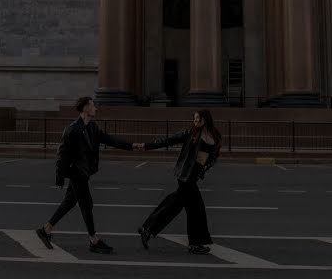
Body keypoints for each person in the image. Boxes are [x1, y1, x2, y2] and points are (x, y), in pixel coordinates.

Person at [36, 96, 134, 254]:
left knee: (69, 202)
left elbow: (108, 139)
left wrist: (131, 146)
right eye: (93, 105)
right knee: (87, 204)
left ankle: (45, 230)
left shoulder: (92, 127)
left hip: (84, 172)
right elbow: (62, 155)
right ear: (86, 108)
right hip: (77, 173)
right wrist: (60, 177)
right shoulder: (73, 129)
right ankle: (93, 240)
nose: (96, 108)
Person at [136, 110, 222, 255]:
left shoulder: (215, 136)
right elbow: (169, 140)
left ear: (205, 120)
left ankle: (147, 229)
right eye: (194, 118)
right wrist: (147, 145)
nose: (194, 121)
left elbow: (213, 156)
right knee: (196, 210)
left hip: (193, 176)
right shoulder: (191, 133)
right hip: (185, 176)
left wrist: (207, 166)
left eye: (197, 118)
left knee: (173, 204)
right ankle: (195, 244)